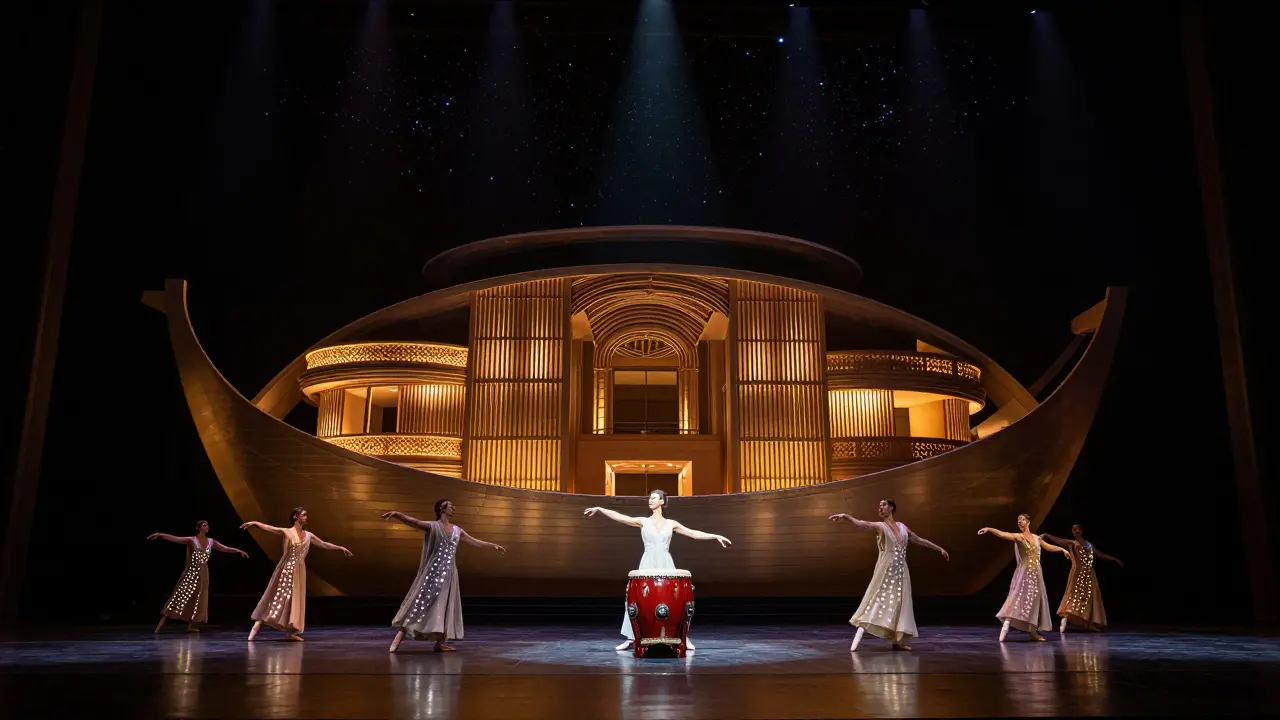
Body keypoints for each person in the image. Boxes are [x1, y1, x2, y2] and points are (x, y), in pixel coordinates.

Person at [584, 489, 731, 652]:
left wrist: (715, 536)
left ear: (662, 501)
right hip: (647, 562)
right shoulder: (643, 521)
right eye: (650, 498)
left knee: (674, 599)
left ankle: (683, 635)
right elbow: (621, 518)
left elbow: (693, 533)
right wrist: (601, 509)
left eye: (654, 498)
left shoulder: (671, 523)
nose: (650, 500)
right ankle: (631, 637)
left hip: (665, 562)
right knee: (636, 598)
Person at [382, 499, 507, 653]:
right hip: (433, 572)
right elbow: (415, 522)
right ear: (442, 508)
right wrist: (398, 514)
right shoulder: (433, 526)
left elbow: (475, 542)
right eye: (450, 506)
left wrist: (492, 545)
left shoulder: (457, 530)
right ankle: (399, 636)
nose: (453, 508)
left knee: (445, 607)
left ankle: (438, 643)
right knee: (420, 603)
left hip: (449, 575)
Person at [829, 499, 949, 651]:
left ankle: (896, 641)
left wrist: (939, 549)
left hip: (901, 572)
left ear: (891, 508)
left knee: (900, 604)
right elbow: (862, 524)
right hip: (886, 570)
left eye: (883, 505)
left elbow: (919, 540)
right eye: (879, 506)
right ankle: (858, 635)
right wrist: (846, 516)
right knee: (875, 600)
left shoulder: (902, 527)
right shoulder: (881, 526)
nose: (880, 508)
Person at [242, 507, 353, 641]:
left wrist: (340, 548)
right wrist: (254, 523)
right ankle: (256, 626)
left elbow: (324, 544)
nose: (306, 517)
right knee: (277, 597)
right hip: (287, 570)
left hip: (299, 571)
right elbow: (268, 528)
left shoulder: (308, 535)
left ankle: (290, 633)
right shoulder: (287, 532)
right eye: (304, 515)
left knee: (294, 601)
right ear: (296, 516)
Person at [978, 513, 1070, 641]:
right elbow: (1004, 534)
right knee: (1017, 598)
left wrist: (1062, 550)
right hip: (1024, 574)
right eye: (1018, 520)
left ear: (1028, 522)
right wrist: (989, 529)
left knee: (1036, 601)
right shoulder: (1019, 537)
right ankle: (1006, 626)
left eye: (1022, 520)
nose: (1019, 522)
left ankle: (1033, 632)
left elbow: (1049, 547)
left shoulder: (1037, 538)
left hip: (1037, 575)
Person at [148, 520, 248, 633]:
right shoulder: (192, 540)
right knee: (180, 598)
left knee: (199, 600)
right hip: (191, 573)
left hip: (203, 575)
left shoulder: (211, 541)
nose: (207, 527)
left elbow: (224, 548)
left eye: (207, 525)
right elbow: (176, 538)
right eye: (204, 525)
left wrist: (238, 551)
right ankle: (160, 626)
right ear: (199, 528)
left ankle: (191, 626)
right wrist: (160, 535)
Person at [1042, 524, 1123, 633]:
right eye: (1073, 529)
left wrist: (1114, 559)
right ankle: (1065, 618)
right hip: (1078, 573)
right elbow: (1060, 540)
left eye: (1077, 529)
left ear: (1082, 530)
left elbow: (1100, 554)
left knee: (1089, 598)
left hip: (1089, 575)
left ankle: (1088, 623)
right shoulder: (1072, 543)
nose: (1076, 531)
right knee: (1073, 596)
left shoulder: (1090, 545)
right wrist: (1047, 535)